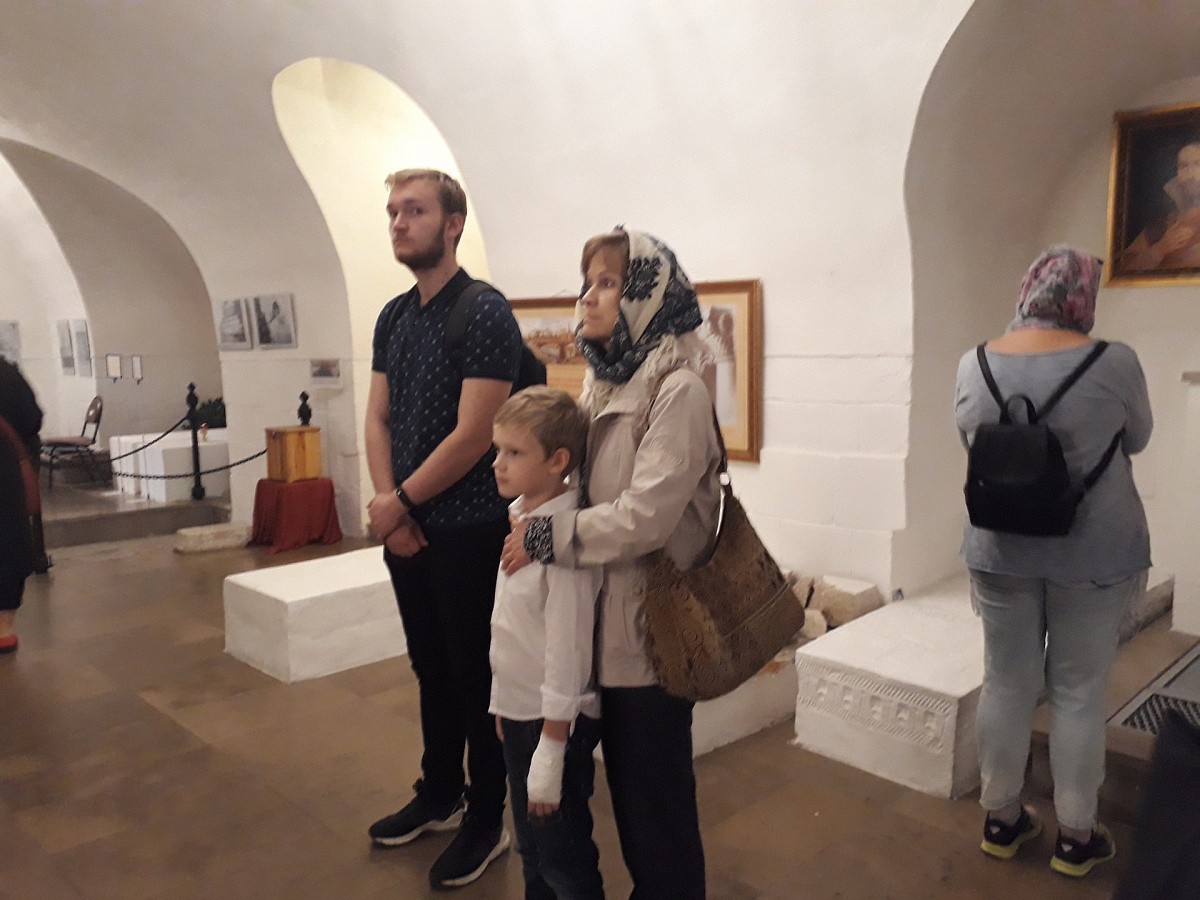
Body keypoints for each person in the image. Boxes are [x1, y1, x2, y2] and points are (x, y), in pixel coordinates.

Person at [503, 228, 722, 898]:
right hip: (600, 635)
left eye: (609, 283)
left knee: (655, 820)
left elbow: (645, 517)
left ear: (648, 296)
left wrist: (548, 537)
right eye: (587, 282)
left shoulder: (677, 391)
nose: (589, 297)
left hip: (650, 643)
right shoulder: (605, 382)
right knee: (600, 816)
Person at [954, 245, 1152, 878]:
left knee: (1005, 681)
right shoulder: (1115, 361)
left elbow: (970, 439)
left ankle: (1001, 819)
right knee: (1078, 691)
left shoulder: (974, 362)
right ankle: (1075, 836)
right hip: (1094, 550)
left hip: (999, 546)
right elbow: (1139, 437)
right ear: (1082, 297)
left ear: (1027, 291)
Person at [365, 168, 523, 890]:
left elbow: (475, 434)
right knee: (430, 666)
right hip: (407, 526)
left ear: (452, 224)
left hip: (467, 528)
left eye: (415, 211)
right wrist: (387, 505)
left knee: (475, 676)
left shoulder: (483, 311)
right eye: (393, 212)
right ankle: (440, 792)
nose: (399, 223)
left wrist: (399, 501)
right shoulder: (393, 316)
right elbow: (377, 417)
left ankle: (487, 817)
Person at [489, 386, 604, 900]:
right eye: (498, 449)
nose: (498, 463)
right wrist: (504, 703)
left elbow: (567, 650)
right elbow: (514, 629)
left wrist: (552, 745)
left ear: (558, 461)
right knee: (532, 849)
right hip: (521, 712)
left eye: (514, 452)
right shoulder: (523, 522)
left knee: (563, 857)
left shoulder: (562, 543)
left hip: (551, 722)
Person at [0, 357, 48, 574]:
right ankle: (37, 556)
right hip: (18, 453)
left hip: (14, 453)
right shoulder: (8, 373)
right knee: (22, 510)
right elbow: (34, 417)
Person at [1121, 140, 1200, 270]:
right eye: (1184, 166)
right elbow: (1124, 269)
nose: (1191, 174)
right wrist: (1160, 249)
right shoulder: (1162, 226)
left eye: (1198, 164)